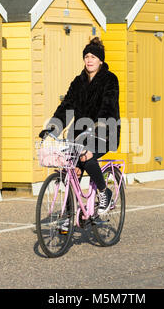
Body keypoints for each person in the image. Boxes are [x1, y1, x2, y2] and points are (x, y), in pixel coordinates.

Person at [39, 37, 120, 218]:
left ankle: (103, 192)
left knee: (86, 157)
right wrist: (52, 128)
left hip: (106, 133)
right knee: (69, 169)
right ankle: (69, 215)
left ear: (101, 60)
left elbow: (107, 107)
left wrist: (97, 131)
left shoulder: (109, 80)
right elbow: (67, 106)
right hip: (79, 135)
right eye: (87, 57)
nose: (89, 60)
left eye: (93, 57)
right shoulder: (78, 82)